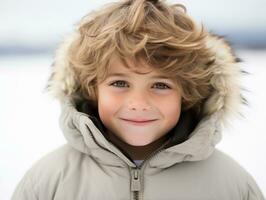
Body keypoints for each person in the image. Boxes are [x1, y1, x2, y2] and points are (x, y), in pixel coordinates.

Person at [12, 0, 264, 199]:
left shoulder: (230, 184)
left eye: (160, 85)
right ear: (92, 88)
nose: (138, 102)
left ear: (187, 94)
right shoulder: (49, 180)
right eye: (120, 83)